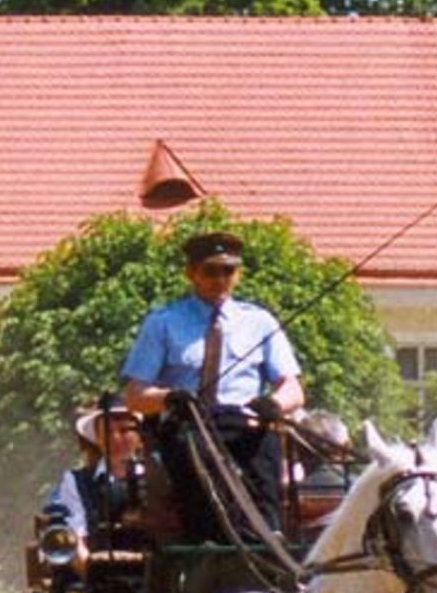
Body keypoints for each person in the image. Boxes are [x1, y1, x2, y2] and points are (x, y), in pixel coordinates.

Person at [121, 230, 304, 542]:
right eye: (210, 271)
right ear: (191, 273)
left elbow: (293, 388)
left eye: (228, 271)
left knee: (266, 446)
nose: (220, 279)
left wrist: (273, 404)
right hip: (188, 425)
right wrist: (169, 398)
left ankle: (267, 533)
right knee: (197, 450)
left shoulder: (260, 322)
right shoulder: (163, 322)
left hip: (245, 421)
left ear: (238, 273)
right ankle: (208, 537)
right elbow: (135, 395)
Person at [47, 397, 144, 564]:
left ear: (140, 437)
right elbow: (77, 539)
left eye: (124, 430)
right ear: (97, 439)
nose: (115, 439)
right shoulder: (76, 482)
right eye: (107, 432)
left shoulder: (157, 476)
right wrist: (92, 573)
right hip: (98, 573)